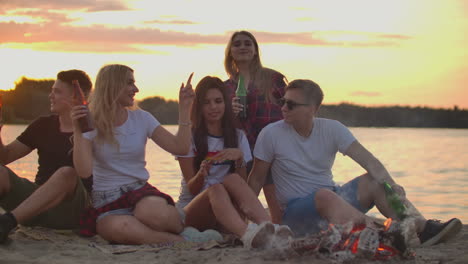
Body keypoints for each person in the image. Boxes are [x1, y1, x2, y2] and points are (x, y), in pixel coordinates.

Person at [248, 79, 463, 247]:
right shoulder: (271, 134)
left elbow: (369, 160)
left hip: (333, 200)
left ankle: (422, 228)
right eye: (282, 102)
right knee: (324, 195)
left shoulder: (332, 129)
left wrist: (393, 185)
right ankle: (384, 232)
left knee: (374, 181)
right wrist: (247, 222)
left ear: (313, 108)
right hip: (295, 215)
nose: (284, 108)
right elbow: (256, 178)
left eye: (291, 104)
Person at [72, 64, 223, 245]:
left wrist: (185, 108)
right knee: (120, 229)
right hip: (106, 201)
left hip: (139, 192)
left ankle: (179, 225)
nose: (136, 89)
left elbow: (180, 147)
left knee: (153, 214)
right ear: (113, 85)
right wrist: (78, 130)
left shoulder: (141, 118)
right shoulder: (90, 122)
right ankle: (185, 240)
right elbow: (83, 171)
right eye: (130, 83)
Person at [176, 76, 291, 249]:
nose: (213, 107)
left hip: (227, 214)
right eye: (207, 102)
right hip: (195, 212)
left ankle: (271, 229)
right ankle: (248, 235)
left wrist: (239, 159)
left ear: (226, 104)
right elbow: (192, 189)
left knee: (233, 180)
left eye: (218, 101)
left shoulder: (237, 136)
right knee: (216, 188)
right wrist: (201, 174)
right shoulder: (190, 137)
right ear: (199, 106)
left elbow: (242, 186)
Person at [0, 69, 93, 243]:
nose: (51, 96)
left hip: (71, 211)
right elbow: (5, 157)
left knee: (67, 173)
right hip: (33, 206)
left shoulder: (94, 129)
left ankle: (6, 222)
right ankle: (10, 220)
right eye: (52, 90)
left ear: (76, 96)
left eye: (57, 92)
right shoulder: (43, 125)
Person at [224, 30, 287, 223]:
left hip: (275, 146)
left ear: (255, 51)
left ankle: (278, 228)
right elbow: (222, 124)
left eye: (247, 43)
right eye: (237, 44)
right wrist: (230, 112)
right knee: (244, 198)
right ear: (230, 52)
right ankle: (241, 230)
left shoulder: (273, 78)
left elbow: (290, 107)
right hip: (245, 148)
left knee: (275, 199)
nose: (242, 47)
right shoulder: (225, 87)